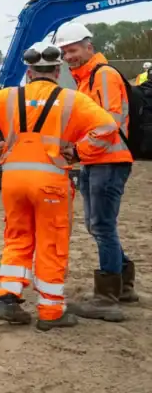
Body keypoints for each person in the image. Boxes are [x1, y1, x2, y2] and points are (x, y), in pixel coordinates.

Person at [0, 42, 118, 331]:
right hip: (50, 183)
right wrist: (81, 151)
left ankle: (8, 297)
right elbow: (108, 127)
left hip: (13, 181)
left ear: (29, 72)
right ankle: (50, 312)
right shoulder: (72, 100)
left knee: (17, 237)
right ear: (58, 71)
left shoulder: (8, 97)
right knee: (51, 242)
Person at [53, 22, 136, 320]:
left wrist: (77, 150)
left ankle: (107, 296)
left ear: (89, 47)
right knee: (98, 225)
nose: (68, 56)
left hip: (108, 161)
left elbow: (108, 125)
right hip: (96, 161)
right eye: (64, 52)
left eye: (72, 50)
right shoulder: (86, 78)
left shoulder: (103, 76)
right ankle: (123, 284)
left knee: (101, 226)